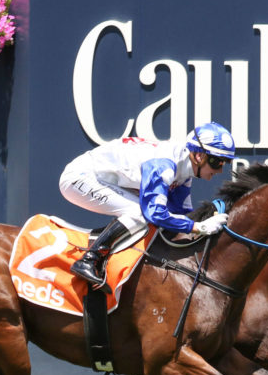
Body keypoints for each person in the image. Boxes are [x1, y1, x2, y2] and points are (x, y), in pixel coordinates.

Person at [59, 122, 237, 288]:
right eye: (217, 161)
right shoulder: (164, 166)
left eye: (224, 163)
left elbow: (181, 213)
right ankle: (89, 259)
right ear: (199, 156)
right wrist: (199, 227)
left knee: (144, 214)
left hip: (104, 179)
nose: (220, 169)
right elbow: (155, 214)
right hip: (80, 177)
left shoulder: (184, 171)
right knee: (139, 213)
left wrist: (206, 221)